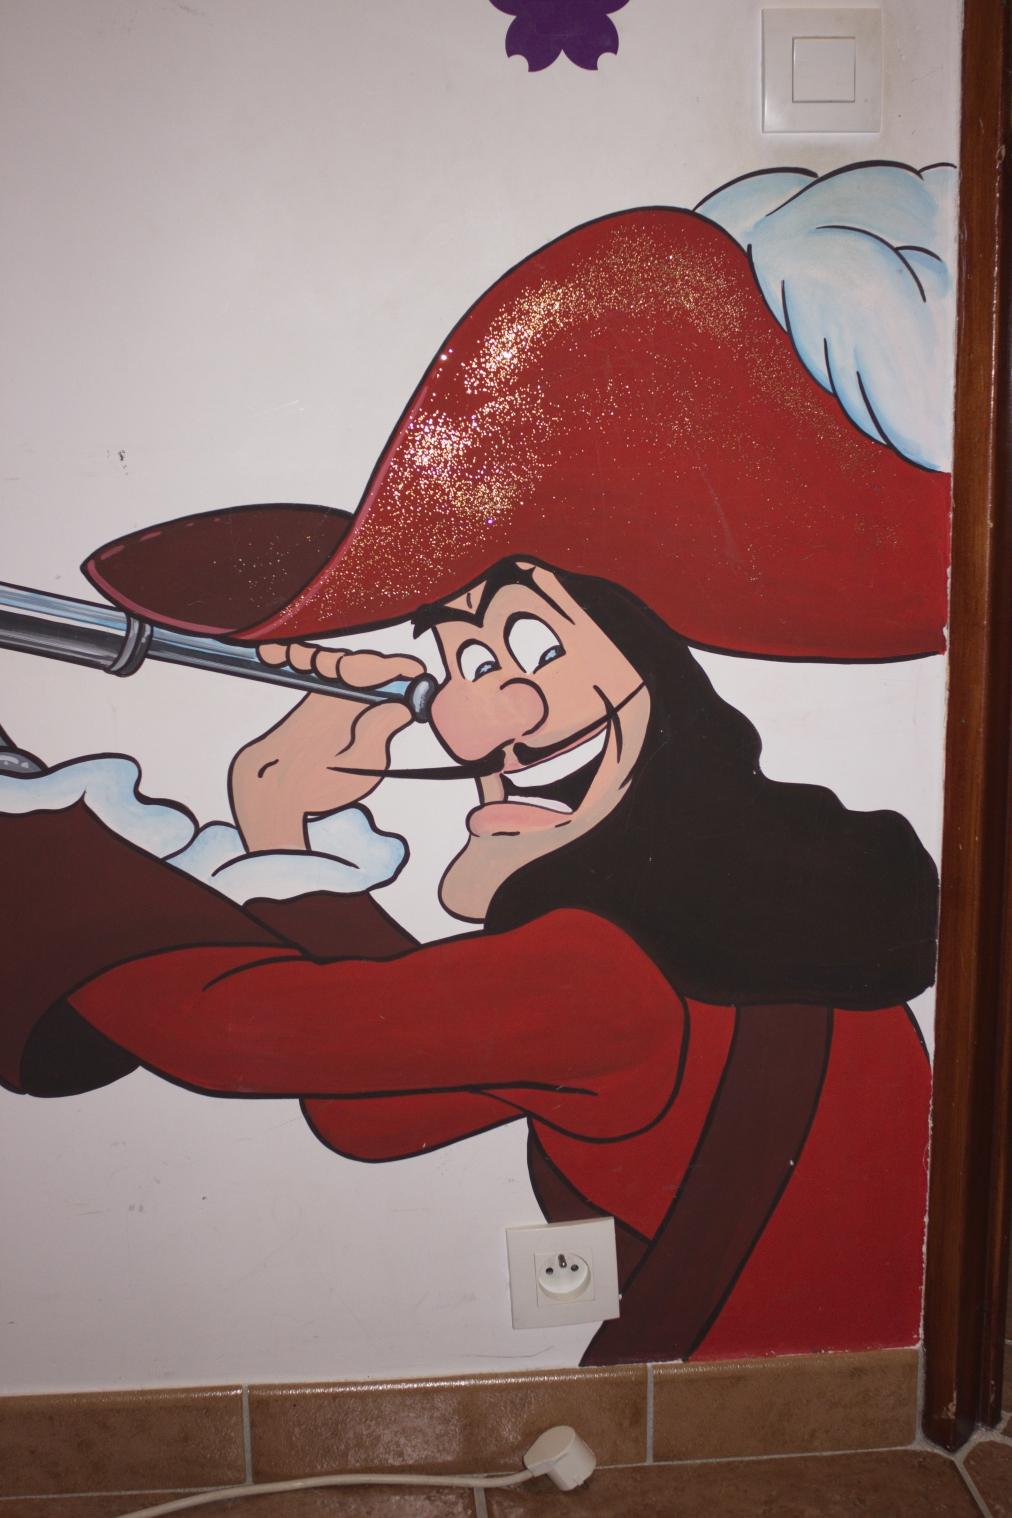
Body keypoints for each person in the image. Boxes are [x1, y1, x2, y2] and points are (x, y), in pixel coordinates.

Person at [0, 207, 949, 1363]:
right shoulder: (721, 935)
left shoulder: (605, 973)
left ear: (662, 697)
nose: (471, 716)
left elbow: (234, 1031)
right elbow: (377, 1105)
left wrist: (25, 819)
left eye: (530, 648)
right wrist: (283, 816)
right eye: (458, 662)